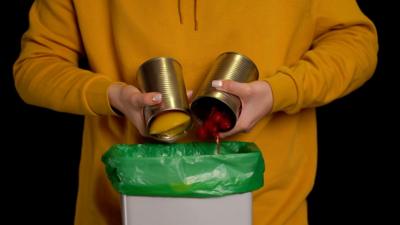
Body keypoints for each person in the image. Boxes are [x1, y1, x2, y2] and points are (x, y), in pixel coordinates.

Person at [13, 0, 378, 224]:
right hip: (122, 211)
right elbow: (36, 65)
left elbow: (354, 38)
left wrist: (276, 92)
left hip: (266, 213)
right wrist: (115, 97)